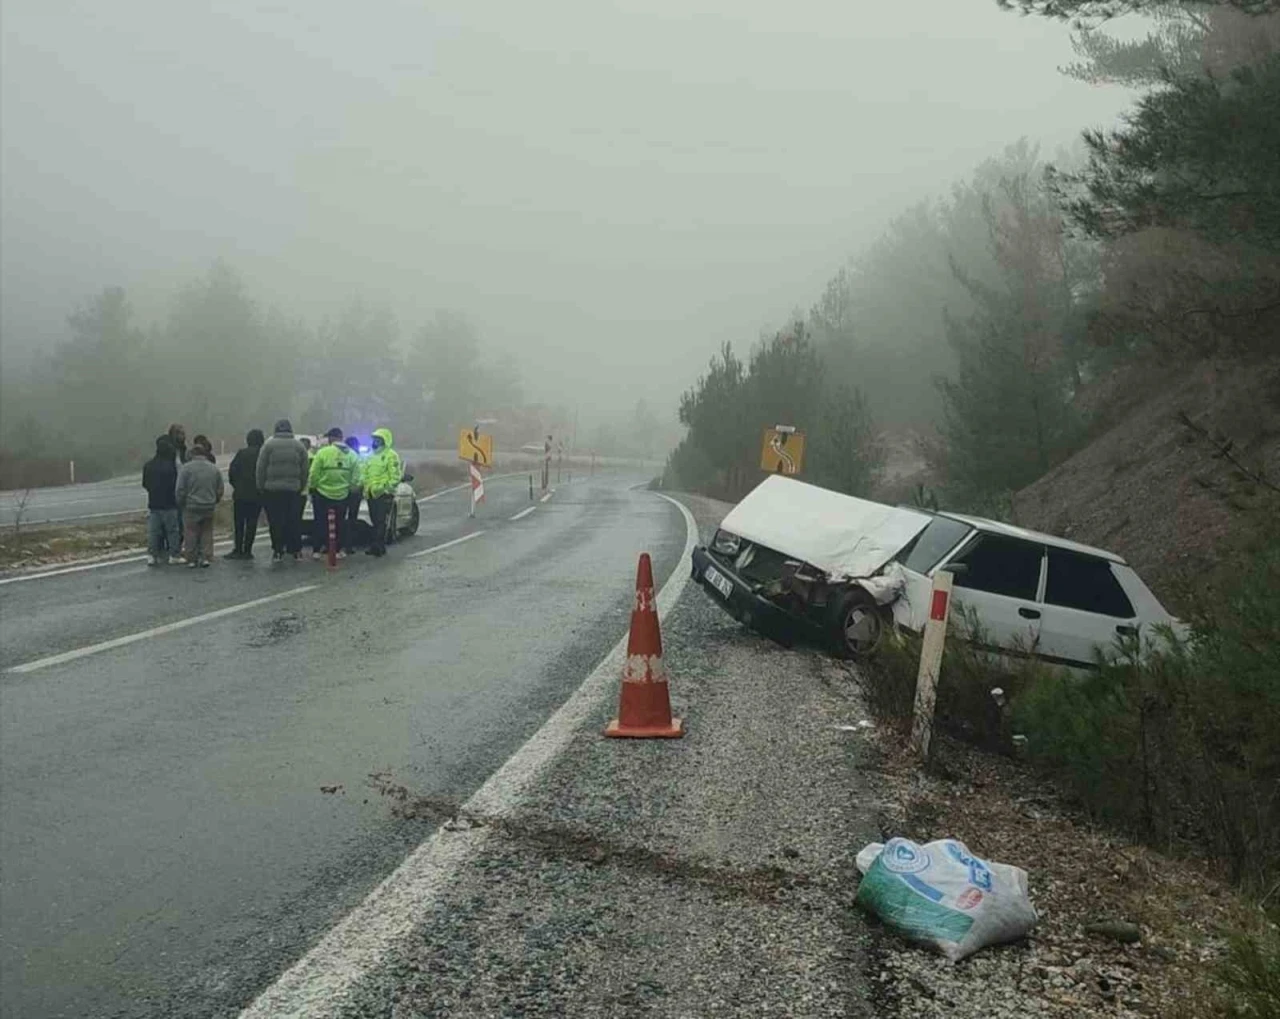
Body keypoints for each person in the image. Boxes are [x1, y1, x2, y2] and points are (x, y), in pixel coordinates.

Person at [256, 419, 310, 562]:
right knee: (294, 520)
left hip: (272, 490)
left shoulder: (268, 445)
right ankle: (296, 550)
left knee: (275, 521)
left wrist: (261, 486)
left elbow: (261, 468)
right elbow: (305, 470)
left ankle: (278, 550)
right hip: (293, 490)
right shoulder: (299, 446)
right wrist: (300, 485)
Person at [308, 427, 356, 559]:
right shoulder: (351, 454)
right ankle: (338, 549)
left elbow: (314, 473)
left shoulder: (323, 452)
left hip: (322, 493)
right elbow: (357, 475)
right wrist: (350, 488)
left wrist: (313, 487)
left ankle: (317, 549)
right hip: (342, 494)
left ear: (330, 438)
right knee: (340, 522)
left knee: (320, 521)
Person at [176, 441, 224, 568]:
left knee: (191, 532)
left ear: (192, 454)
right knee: (206, 532)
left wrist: (181, 503)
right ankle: (205, 557)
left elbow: (180, 489)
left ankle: (191, 558)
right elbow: (220, 488)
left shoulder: (186, 469)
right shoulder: (213, 468)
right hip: (208, 505)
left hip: (191, 505)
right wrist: (215, 500)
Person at [363, 427, 402, 557]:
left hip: (384, 494)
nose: (375, 442)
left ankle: (378, 546)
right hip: (371, 493)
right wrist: (365, 488)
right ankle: (377, 545)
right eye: (374, 439)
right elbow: (365, 473)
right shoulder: (370, 456)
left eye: (378, 439)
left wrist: (386, 489)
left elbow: (395, 476)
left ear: (385, 441)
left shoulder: (391, 455)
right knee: (374, 520)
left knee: (381, 521)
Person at [142, 435, 181, 566]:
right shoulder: (171, 466)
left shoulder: (149, 465)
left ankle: (152, 555)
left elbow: (145, 484)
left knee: (154, 532)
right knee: (172, 531)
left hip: (154, 502)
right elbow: (176, 484)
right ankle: (174, 555)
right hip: (170, 503)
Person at [226, 429, 265, 559]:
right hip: (257, 494)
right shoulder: (263, 454)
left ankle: (238, 549)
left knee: (239, 523)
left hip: (240, 494)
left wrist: (236, 486)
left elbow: (232, 471)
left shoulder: (241, 453)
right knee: (252, 523)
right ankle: (248, 550)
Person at [343, 434, 364, 552]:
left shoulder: (343, 456)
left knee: (339, 517)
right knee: (352, 518)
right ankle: (349, 545)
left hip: (341, 489)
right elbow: (362, 475)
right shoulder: (359, 458)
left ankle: (336, 543)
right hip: (355, 491)